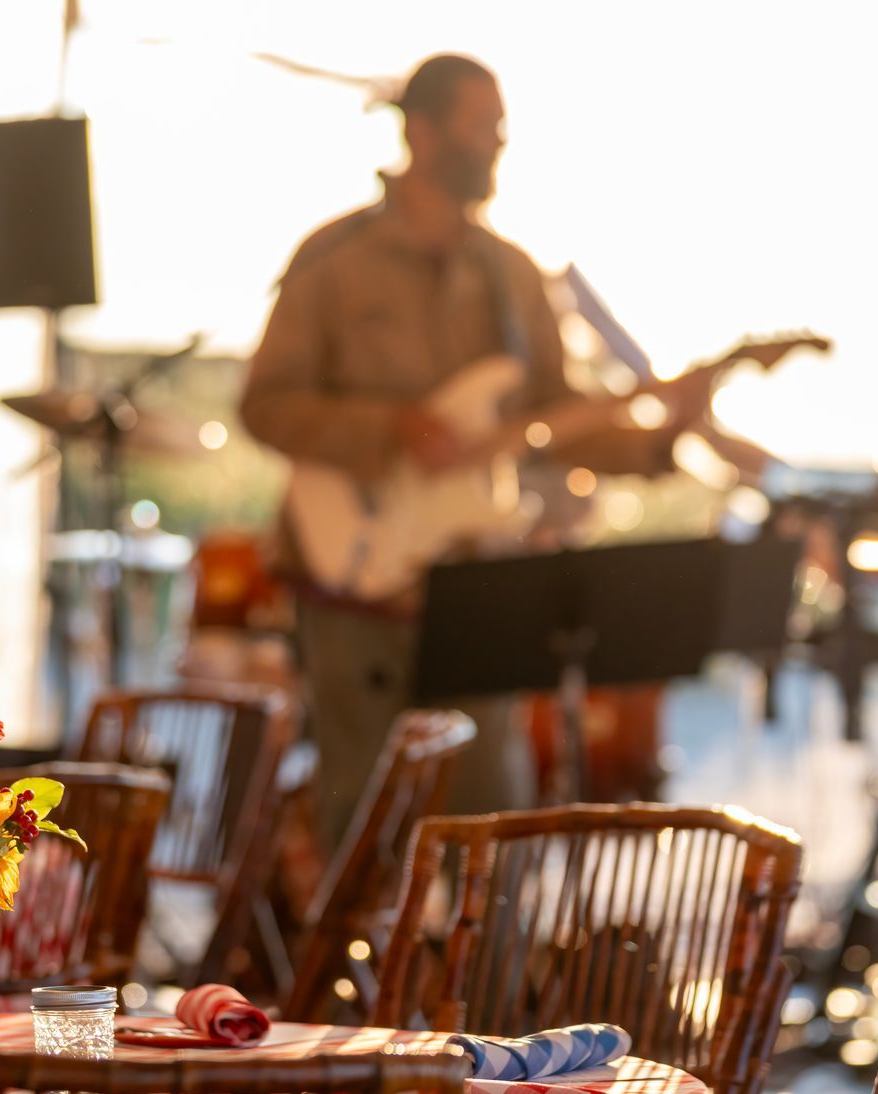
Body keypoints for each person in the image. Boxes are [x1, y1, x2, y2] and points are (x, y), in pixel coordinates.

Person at [241, 54, 708, 848]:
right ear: (421, 131)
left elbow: (563, 424)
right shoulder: (333, 262)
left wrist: (666, 438)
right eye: (480, 125)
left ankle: (471, 976)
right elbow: (265, 405)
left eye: (499, 127)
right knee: (363, 826)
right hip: (354, 578)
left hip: (476, 587)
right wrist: (390, 428)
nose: (497, 143)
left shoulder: (514, 276)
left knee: (492, 829)